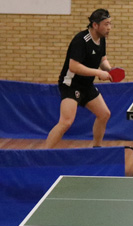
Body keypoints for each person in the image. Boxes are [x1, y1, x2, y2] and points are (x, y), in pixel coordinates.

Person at [45, 8, 114, 148]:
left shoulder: (101, 39)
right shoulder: (81, 40)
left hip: (86, 85)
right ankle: (42, 154)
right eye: (106, 24)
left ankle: (96, 148)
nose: (109, 28)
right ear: (95, 25)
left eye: (110, 24)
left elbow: (102, 60)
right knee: (66, 122)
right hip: (71, 84)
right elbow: (73, 66)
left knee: (104, 114)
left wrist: (109, 70)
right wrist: (98, 73)